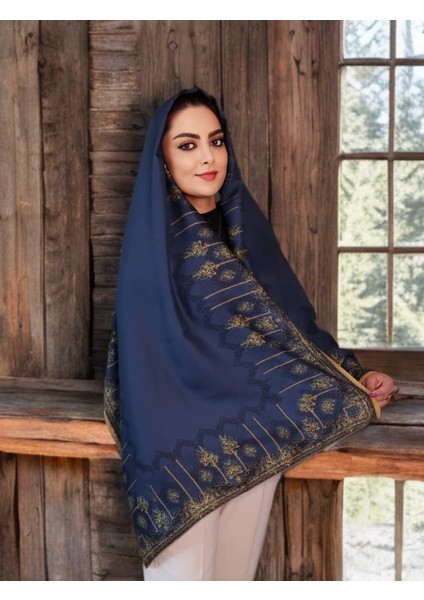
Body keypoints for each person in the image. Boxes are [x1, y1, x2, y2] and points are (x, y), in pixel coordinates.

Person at [104, 88, 396, 581]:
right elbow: (147, 365)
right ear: (162, 159)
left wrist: (354, 376)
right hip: (184, 455)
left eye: (216, 141)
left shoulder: (244, 230)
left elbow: (292, 326)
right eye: (188, 145)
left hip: (257, 437)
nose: (208, 157)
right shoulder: (152, 249)